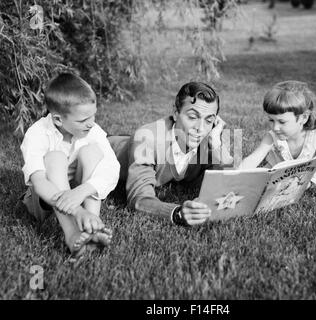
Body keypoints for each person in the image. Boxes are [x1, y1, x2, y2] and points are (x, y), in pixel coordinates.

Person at [20, 73, 120, 258]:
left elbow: (111, 168)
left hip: (77, 193)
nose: (91, 124)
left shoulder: (93, 130)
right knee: (55, 157)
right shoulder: (37, 134)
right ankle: (71, 232)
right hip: (45, 202)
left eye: (93, 116)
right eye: (83, 120)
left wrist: (81, 193)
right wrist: (76, 209)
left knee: (92, 152)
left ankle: (91, 226)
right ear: (58, 119)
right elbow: (40, 182)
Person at [109, 82, 233, 226]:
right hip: (105, 148)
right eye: (192, 117)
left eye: (209, 120)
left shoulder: (211, 138)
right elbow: (138, 199)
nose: (200, 128)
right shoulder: (146, 139)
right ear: (175, 112)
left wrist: (217, 145)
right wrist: (177, 213)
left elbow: (233, 182)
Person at [238, 80, 316, 204]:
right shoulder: (272, 136)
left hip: (305, 179)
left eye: (282, 122)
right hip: (275, 177)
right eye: (271, 120)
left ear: (303, 118)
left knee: (294, 186)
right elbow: (254, 158)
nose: (275, 127)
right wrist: (236, 176)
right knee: (255, 184)